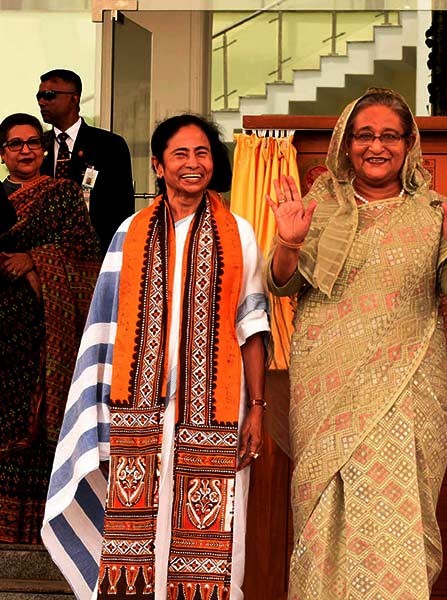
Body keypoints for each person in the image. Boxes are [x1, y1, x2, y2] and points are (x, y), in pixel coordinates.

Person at [266, 87, 447, 599]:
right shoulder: (317, 207)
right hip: (327, 385)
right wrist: (289, 241)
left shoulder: (435, 211)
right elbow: (280, 284)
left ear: (409, 143)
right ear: (346, 145)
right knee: (325, 511)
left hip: (408, 387)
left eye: (390, 135)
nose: (376, 146)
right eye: (364, 135)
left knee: (400, 513)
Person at [41, 114, 270, 600]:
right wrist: (95, 407)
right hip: (137, 409)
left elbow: (251, 325)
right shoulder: (130, 231)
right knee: (136, 537)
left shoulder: (240, 233)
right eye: (181, 154)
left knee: (216, 539)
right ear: (159, 166)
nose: (193, 163)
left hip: (215, 410)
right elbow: (104, 328)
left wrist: (257, 407)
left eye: (202, 153)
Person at [0, 113, 100, 544]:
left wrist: (34, 261)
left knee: (40, 430)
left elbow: (85, 256)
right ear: (3, 153)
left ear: (43, 148)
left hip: (46, 333)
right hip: (3, 333)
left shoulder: (61, 196)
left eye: (33, 143)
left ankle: (43, 529)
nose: (26, 150)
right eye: (15, 143)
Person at [37, 68, 135, 252]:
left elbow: (122, 208)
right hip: (44, 255)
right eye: (39, 96)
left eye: (49, 95)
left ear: (74, 98)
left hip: (96, 253)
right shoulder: (37, 145)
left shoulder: (109, 145)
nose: (42, 102)